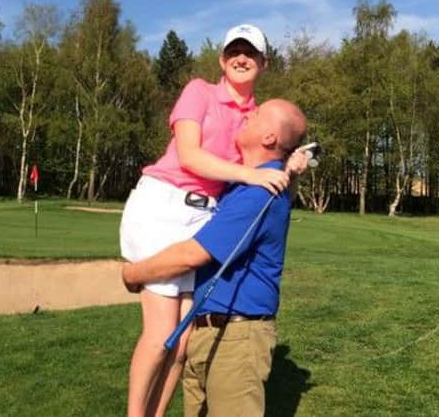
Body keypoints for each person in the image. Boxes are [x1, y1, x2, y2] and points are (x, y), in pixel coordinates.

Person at [120, 24, 307, 417]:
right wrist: (251, 174)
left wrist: (290, 164)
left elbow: (273, 146)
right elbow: (189, 156)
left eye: (250, 52)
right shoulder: (199, 92)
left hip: (202, 213)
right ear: (222, 60)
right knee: (159, 334)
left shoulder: (256, 116)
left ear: (262, 62)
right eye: (233, 51)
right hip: (166, 202)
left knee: (182, 340)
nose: (241, 57)